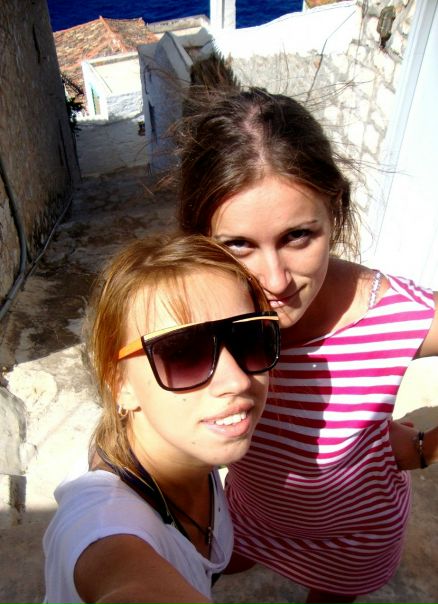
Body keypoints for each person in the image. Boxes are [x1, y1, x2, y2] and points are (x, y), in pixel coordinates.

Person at [176, 87, 438, 603]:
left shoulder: (397, 316)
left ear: (334, 209)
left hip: (353, 539)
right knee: (221, 562)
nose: (275, 281)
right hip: (247, 515)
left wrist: (426, 449)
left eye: (298, 236)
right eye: (238, 245)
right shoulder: (199, 310)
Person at [42, 233, 281, 604]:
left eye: (249, 338)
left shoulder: (186, 443)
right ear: (120, 384)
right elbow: (124, 580)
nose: (237, 380)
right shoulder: (102, 521)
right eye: (183, 353)